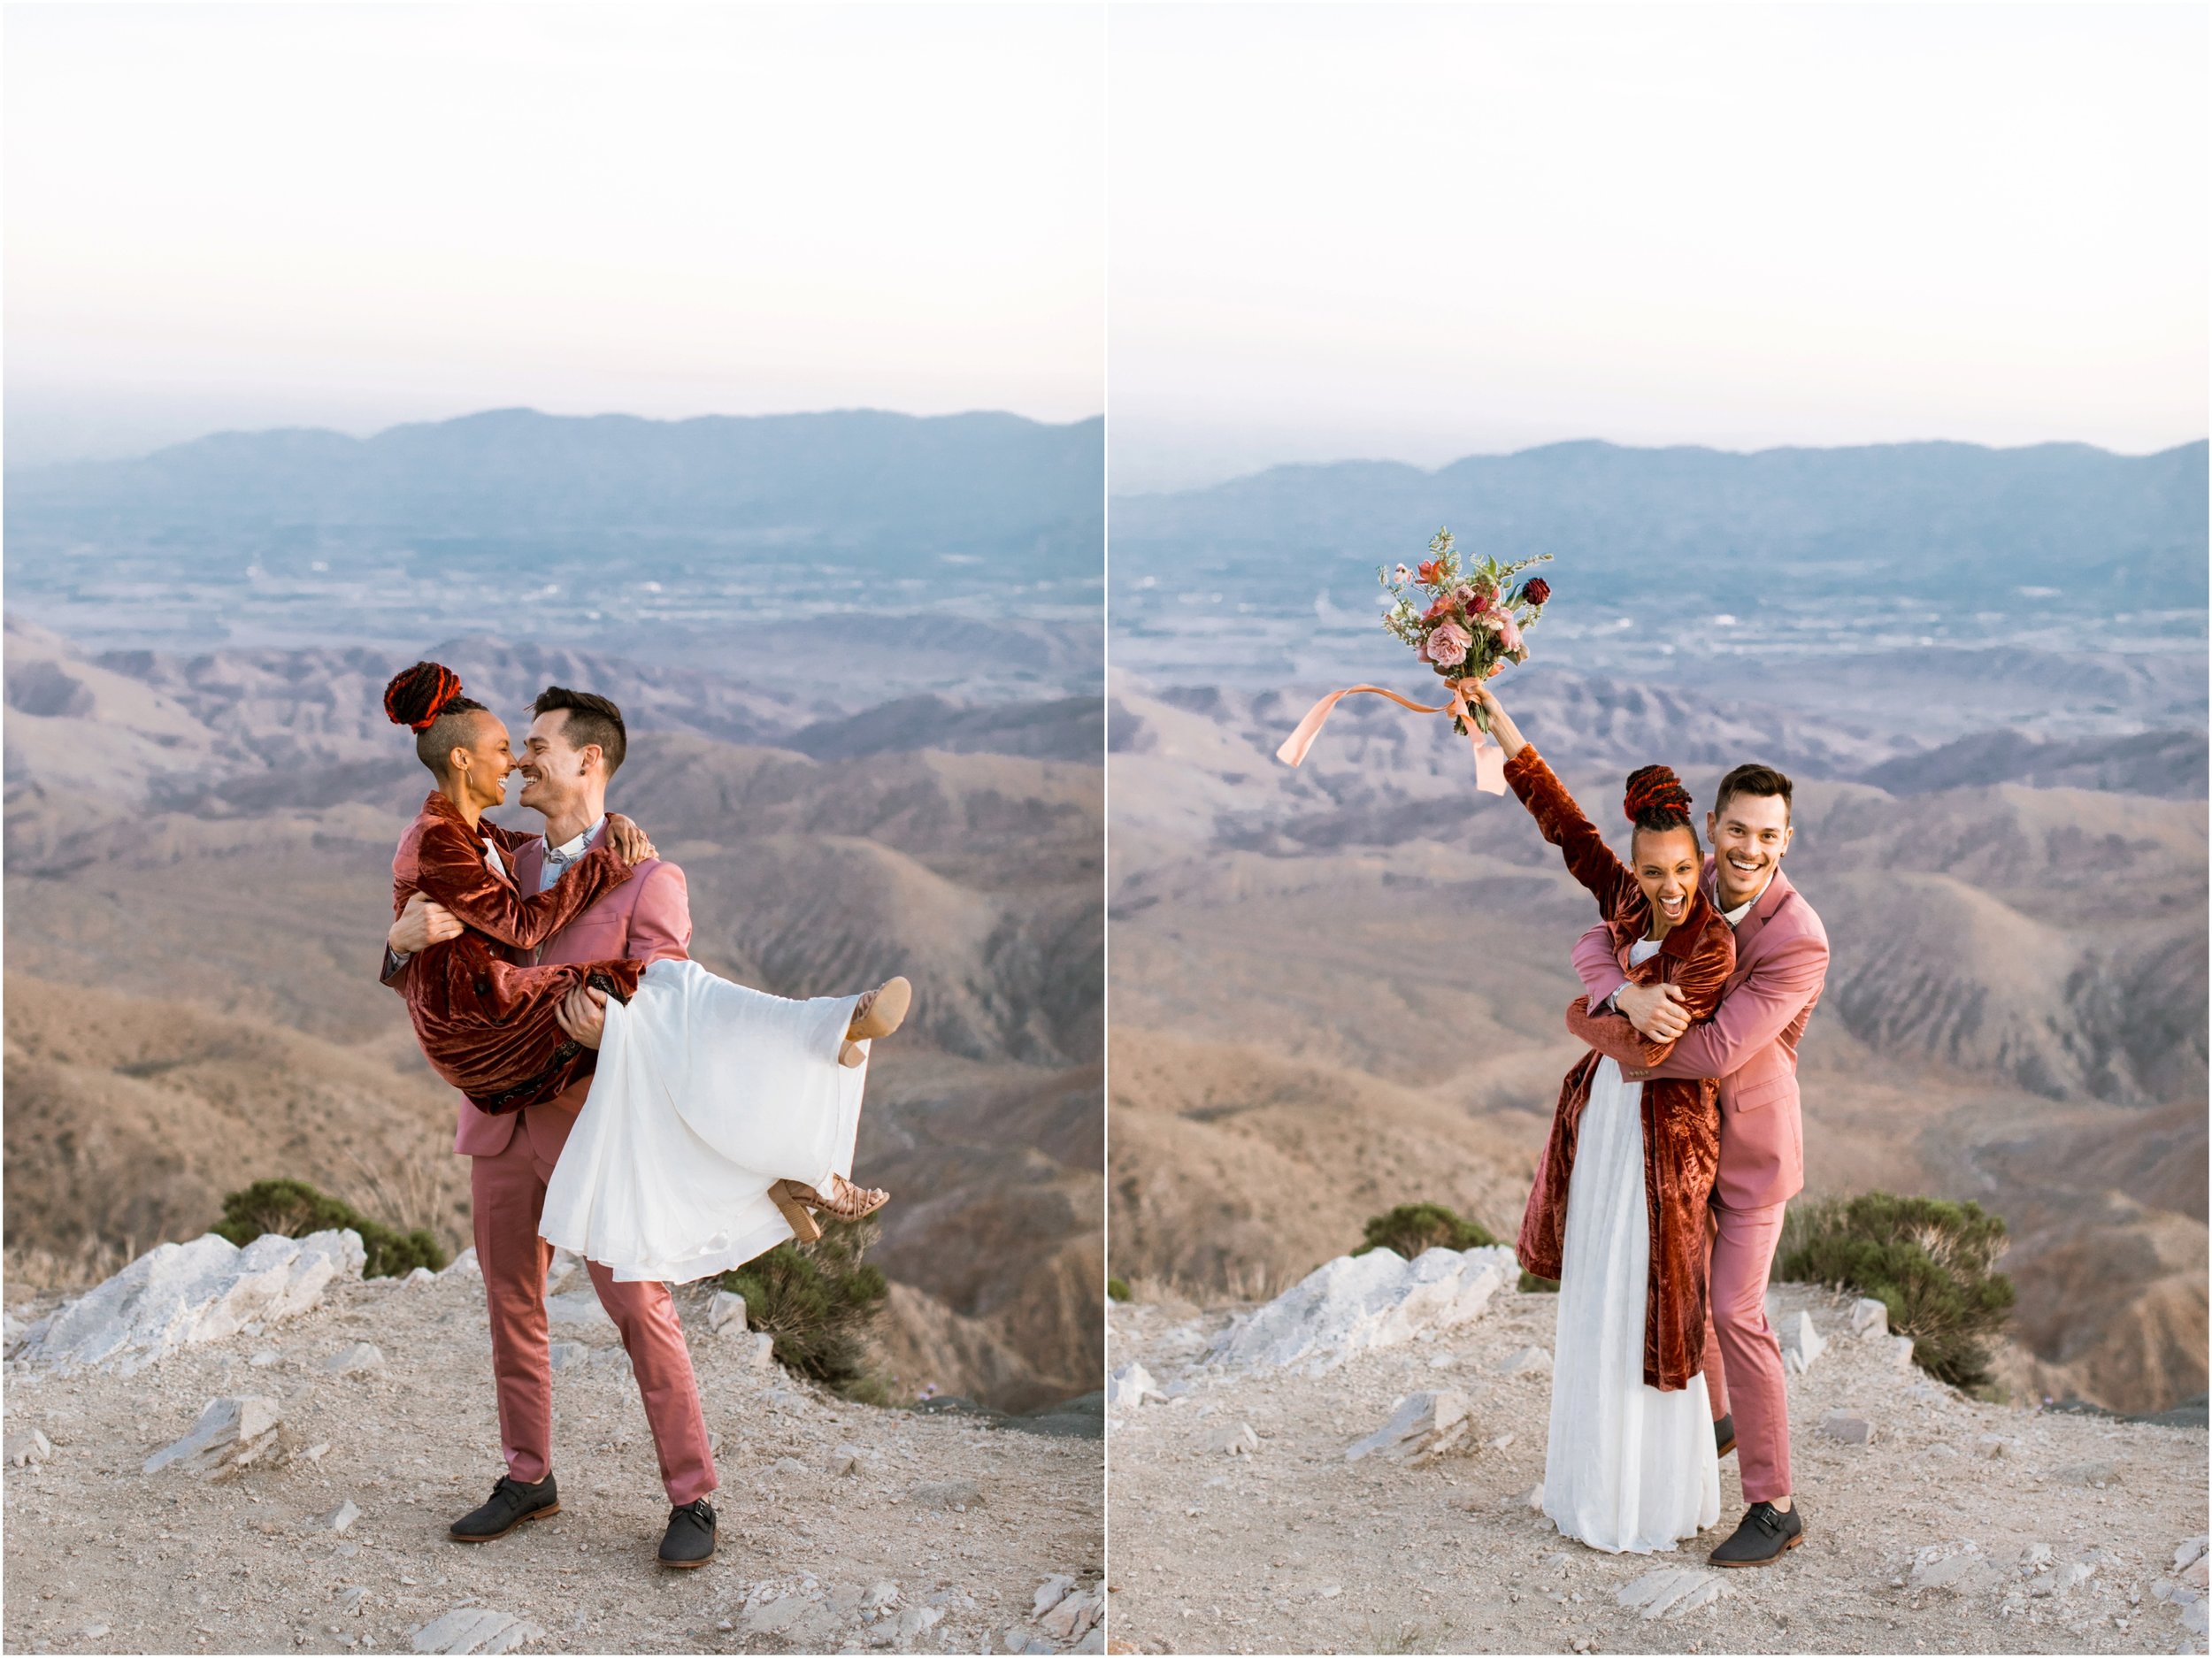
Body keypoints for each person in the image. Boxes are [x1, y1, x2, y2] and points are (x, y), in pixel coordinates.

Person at [380, 664, 908, 1569]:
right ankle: (527, 1476)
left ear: (589, 760)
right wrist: (391, 947)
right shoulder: (494, 853)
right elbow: (440, 969)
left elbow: (672, 1004)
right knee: (511, 1303)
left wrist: (611, 1022)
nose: (523, 764)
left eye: (536, 748)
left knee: (640, 1305)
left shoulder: (646, 876)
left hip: (596, 1123)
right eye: (517, 750)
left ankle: (693, 1492)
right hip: (497, 1121)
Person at [1467, 681, 1730, 1554]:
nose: (1667, 887)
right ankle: (1592, 1487)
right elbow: (1563, 822)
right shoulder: (1621, 901)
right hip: (1611, 1135)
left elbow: (1643, 1048)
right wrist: (1493, 715)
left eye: (1683, 870)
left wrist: (1585, 1006)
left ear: (1701, 863)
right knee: (1600, 1299)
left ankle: (1646, 1503)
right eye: (1653, 872)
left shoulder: (1711, 945)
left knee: (1649, 1300)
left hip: (1665, 1144)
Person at [1563, 760, 1829, 1569]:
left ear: (1789, 840)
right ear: (1714, 828)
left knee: (1735, 1312)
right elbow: (1594, 932)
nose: (1750, 848)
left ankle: (1774, 1503)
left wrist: (1599, 1025)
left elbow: (1712, 1049)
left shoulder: (1798, 939)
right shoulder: (1688, 873)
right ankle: (1716, 1419)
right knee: (1679, 1285)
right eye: (1738, 830)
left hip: (1747, 1149)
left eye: (1769, 835)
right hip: (1675, 1146)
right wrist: (1619, 992)